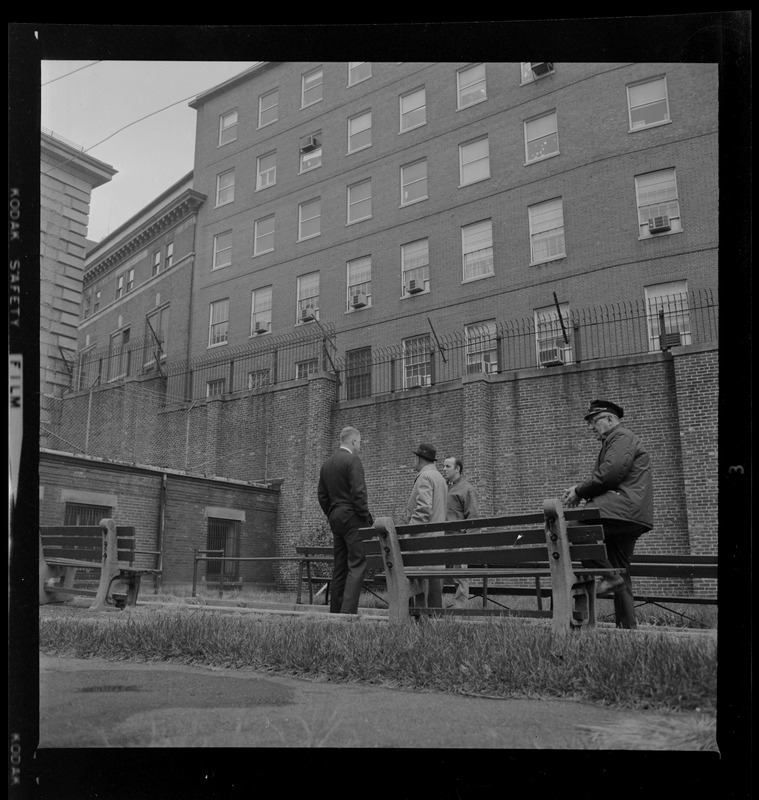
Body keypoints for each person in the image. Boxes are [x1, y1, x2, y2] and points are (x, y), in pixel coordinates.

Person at [563, 399, 653, 629]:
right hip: (631, 513)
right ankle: (627, 627)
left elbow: (610, 474)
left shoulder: (621, 437)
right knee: (621, 569)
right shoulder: (618, 440)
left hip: (621, 510)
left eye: (594, 421)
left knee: (571, 530)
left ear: (610, 419)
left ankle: (609, 577)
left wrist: (579, 491)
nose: (591, 427)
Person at [317, 426, 373, 614]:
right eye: (360, 442)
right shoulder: (353, 461)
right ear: (353, 441)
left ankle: (336, 611)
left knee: (340, 566)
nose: (361, 446)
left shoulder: (327, 464)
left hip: (335, 519)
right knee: (357, 564)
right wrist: (365, 516)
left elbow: (322, 496)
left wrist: (332, 514)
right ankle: (348, 614)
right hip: (353, 518)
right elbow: (359, 494)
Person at [402, 443, 447, 610]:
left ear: (419, 458)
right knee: (434, 584)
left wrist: (409, 531)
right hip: (436, 541)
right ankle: (435, 619)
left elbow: (423, 509)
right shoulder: (440, 478)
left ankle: (421, 618)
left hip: (422, 542)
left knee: (421, 584)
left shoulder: (425, 477)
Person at [442, 456, 480, 609]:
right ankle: (434, 605)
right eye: (443, 466)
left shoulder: (467, 489)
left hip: (458, 540)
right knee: (436, 575)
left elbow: (474, 518)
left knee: (461, 576)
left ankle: (459, 609)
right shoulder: (443, 487)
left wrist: (468, 544)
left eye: (447, 466)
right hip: (441, 540)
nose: (443, 469)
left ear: (457, 469)